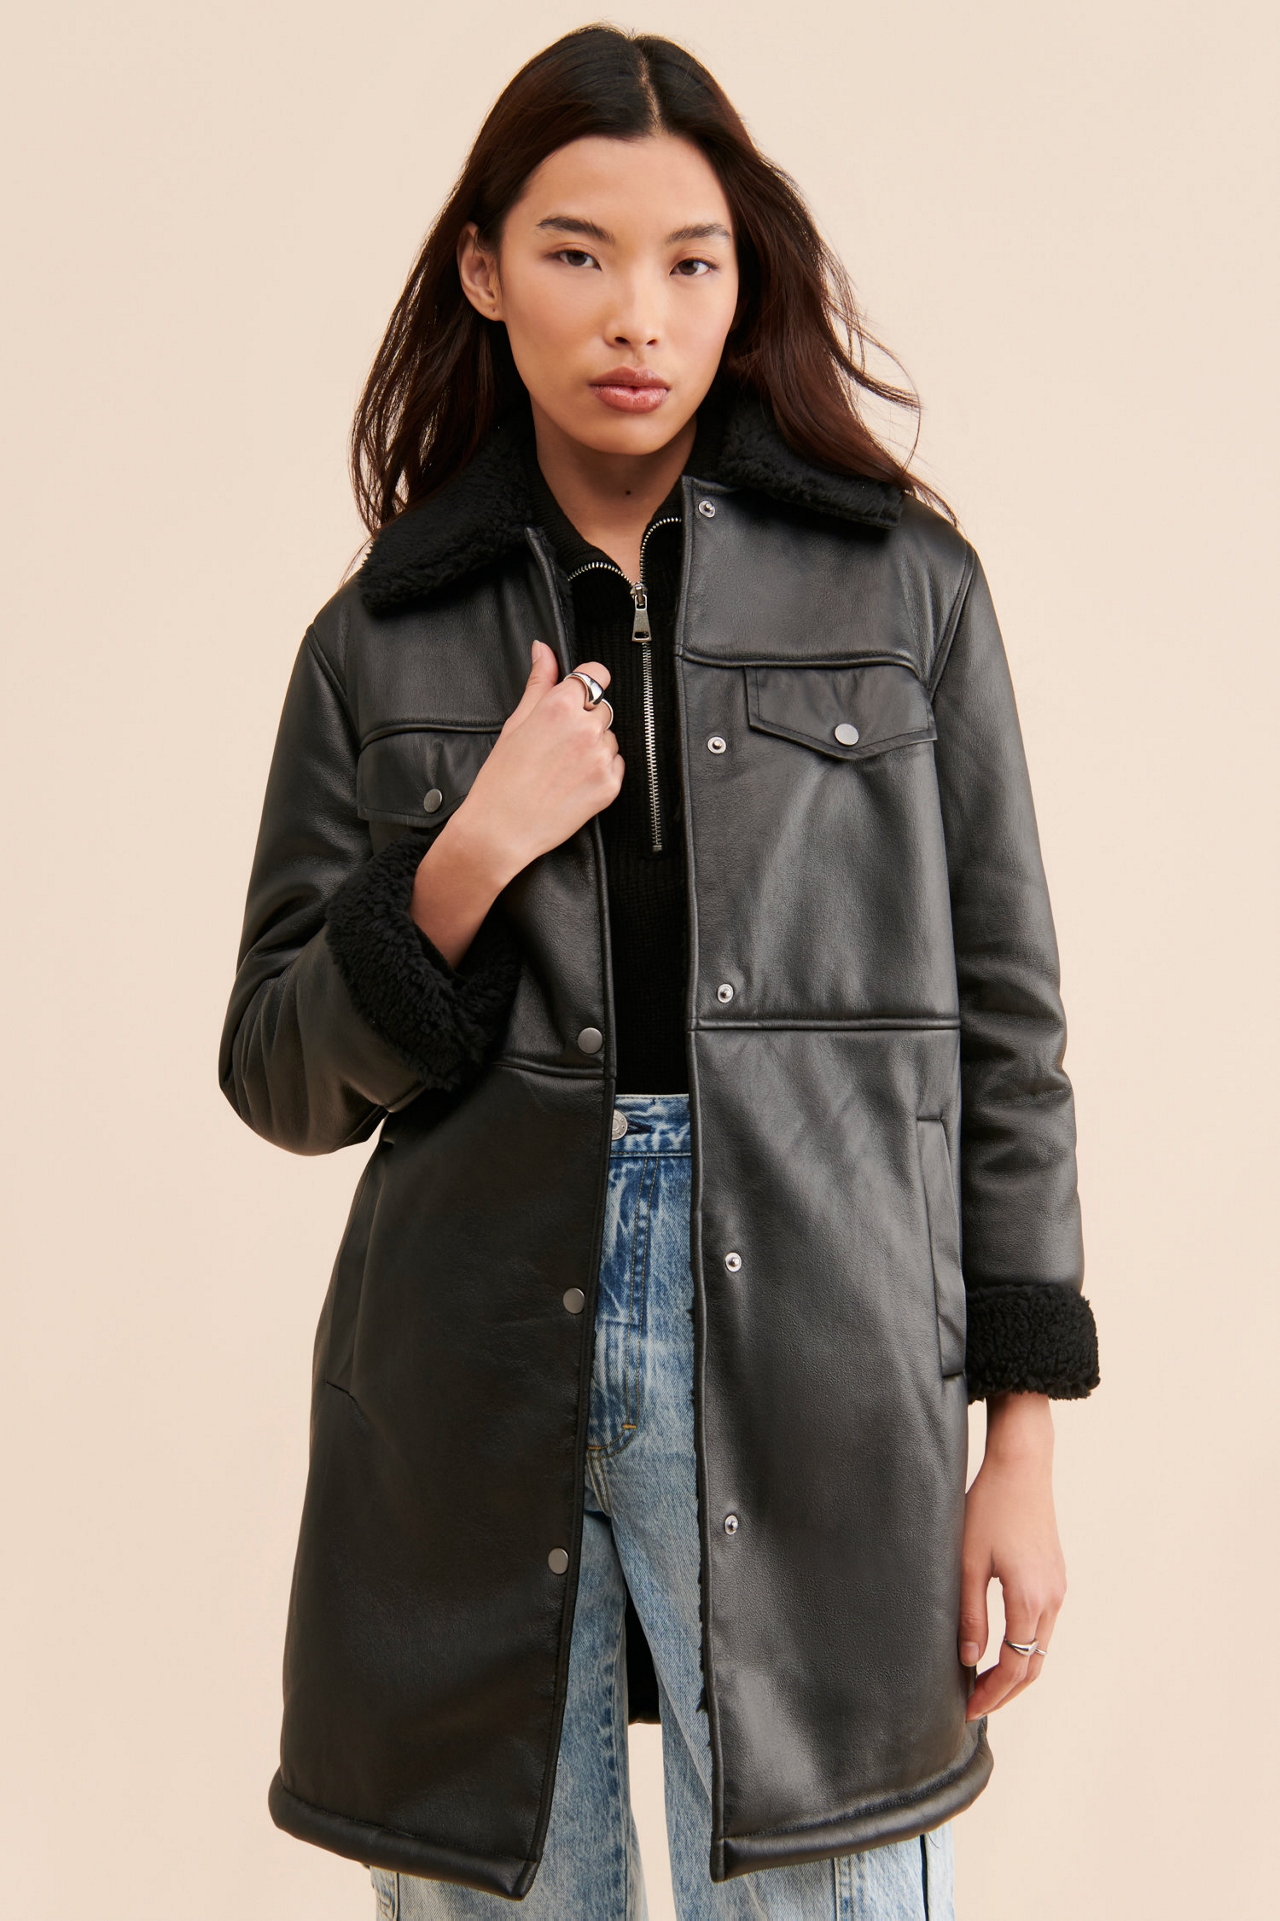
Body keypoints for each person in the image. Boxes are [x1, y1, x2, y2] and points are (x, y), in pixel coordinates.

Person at [220, 25, 1099, 1921]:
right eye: (578, 252)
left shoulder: (903, 592)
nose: (639, 312)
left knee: (831, 1880)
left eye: (691, 260)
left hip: (825, 1331)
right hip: (469, 1360)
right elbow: (277, 1069)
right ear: (484, 269)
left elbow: (1008, 1039)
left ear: (740, 277)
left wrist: (1017, 1442)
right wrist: (467, 854)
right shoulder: (381, 635)